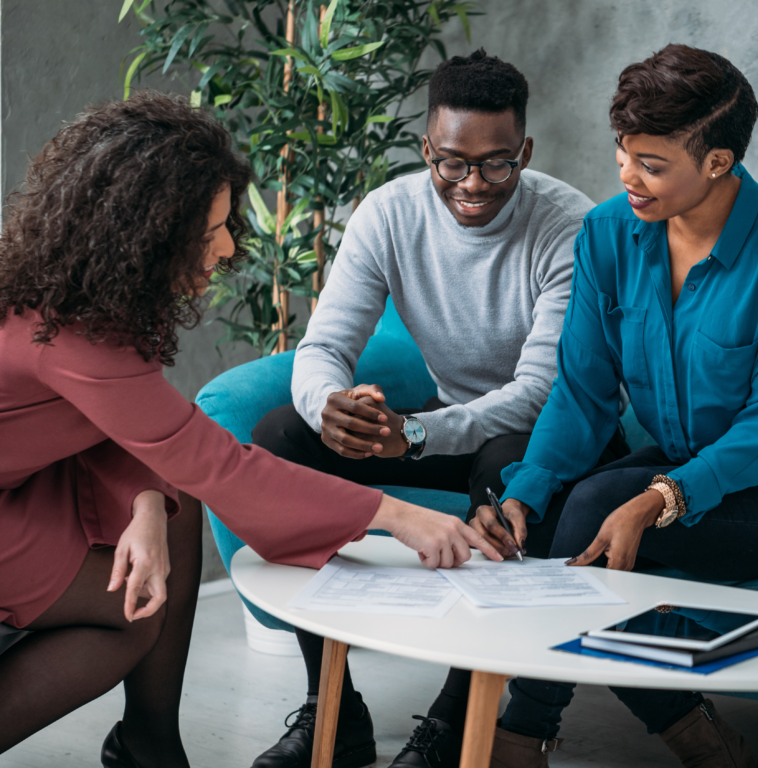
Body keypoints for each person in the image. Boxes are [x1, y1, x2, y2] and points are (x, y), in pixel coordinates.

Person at [0, 90, 500, 768]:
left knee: (174, 509)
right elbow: (219, 463)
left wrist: (146, 503)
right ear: (145, 232)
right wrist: (397, 515)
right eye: (210, 233)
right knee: (132, 613)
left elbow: (127, 427)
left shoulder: (73, 294)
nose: (229, 247)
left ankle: (148, 743)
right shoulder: (66, 334)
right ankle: (140, 746)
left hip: (24, 485)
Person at [250, 49, 629, 768]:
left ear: (526, 150)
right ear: (426, 148)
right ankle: (332, 708)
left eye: (496, 163)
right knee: (277, 440)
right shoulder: (388, 213)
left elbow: (541, 391)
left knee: (507, 460)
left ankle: (457, 718)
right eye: (452, 162)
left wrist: (418, 434)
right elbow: (324, 343)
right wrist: (330, 406)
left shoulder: (568, 225)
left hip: (557, 436)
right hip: (450, 419)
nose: (473, 184)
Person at [470, 44, 758, 768]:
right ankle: (694, 736)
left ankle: (521, 730)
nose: (627, 177)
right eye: (624, 153)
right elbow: (583, 389)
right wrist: (528, 493)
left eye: (653, 165)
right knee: (534, 501)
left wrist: (664, 495)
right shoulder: (609, 232)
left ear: (720, 162)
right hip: (677, 460)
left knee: (598, 504)